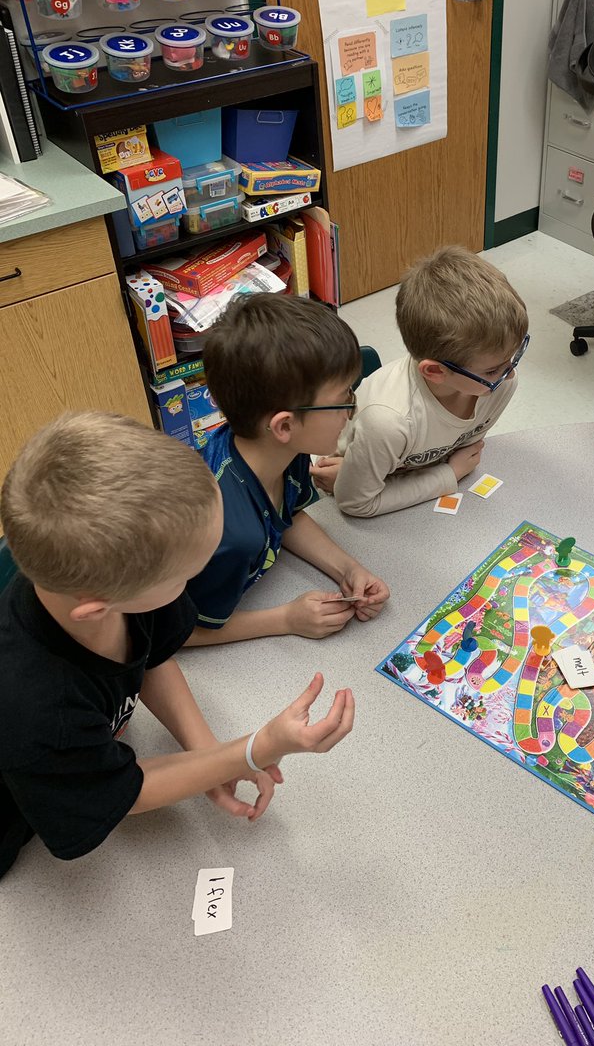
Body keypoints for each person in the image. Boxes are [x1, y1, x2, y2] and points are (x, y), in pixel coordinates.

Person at [0, 412, 355, 880]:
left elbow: (149, 656)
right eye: (185, 577)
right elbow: (125, 792)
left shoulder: (103, 587)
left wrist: (206, 755)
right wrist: (253, 749)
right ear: (99, 607)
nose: (191, 584)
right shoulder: (37, 706)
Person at [186, 294, 390, 644]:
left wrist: (348, 569)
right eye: (343, 399)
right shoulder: (227, 532)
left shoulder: (282, 448)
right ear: (284, 425)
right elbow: (168, 634)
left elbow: (287, 516)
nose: (350, 411)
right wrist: (285, 619)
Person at [313, 245, 529, 517]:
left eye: (514, 356)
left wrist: (371, 478)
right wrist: (449, 474)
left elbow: (461, 451)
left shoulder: (499, 385)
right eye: (492, 371)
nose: (510, 374)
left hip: (393, 485)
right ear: (436, 371)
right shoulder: (388, 422)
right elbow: (355, 502)